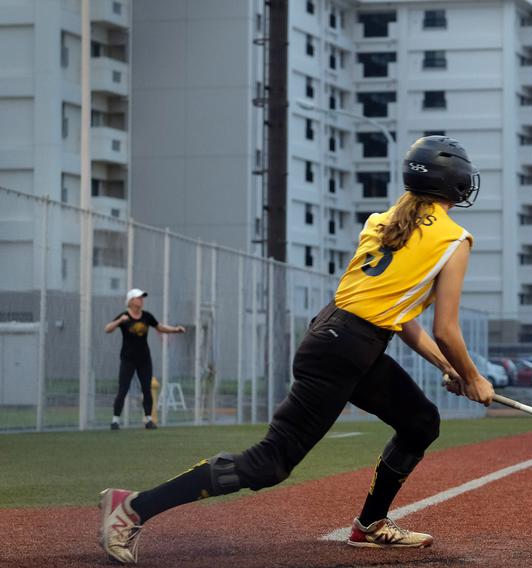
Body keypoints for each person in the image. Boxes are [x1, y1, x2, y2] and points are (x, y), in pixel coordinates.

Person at [98, 136, 495, 564]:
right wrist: (473, 377)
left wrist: (448, 369)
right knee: (271, 464)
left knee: (420, 422)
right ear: (453, 183)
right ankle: (132, 507)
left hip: (342, 341)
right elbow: (447, 329)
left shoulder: (381, 222)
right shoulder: (455, 240)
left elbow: (401, 319)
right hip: (343, 350)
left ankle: (370, 524)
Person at [104, 289, 186, 431]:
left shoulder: (147, 316)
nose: (141, 300)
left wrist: (175, 330)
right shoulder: (124, 317)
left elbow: (159, 327)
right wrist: (119, 321)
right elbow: (107, 329)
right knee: (123, 389)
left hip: (144, 359)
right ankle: (115, 421)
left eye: (142, 298)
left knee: (146, 389)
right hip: (128, 359)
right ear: (131, 301)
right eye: (138, 298)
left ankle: (149, 420)